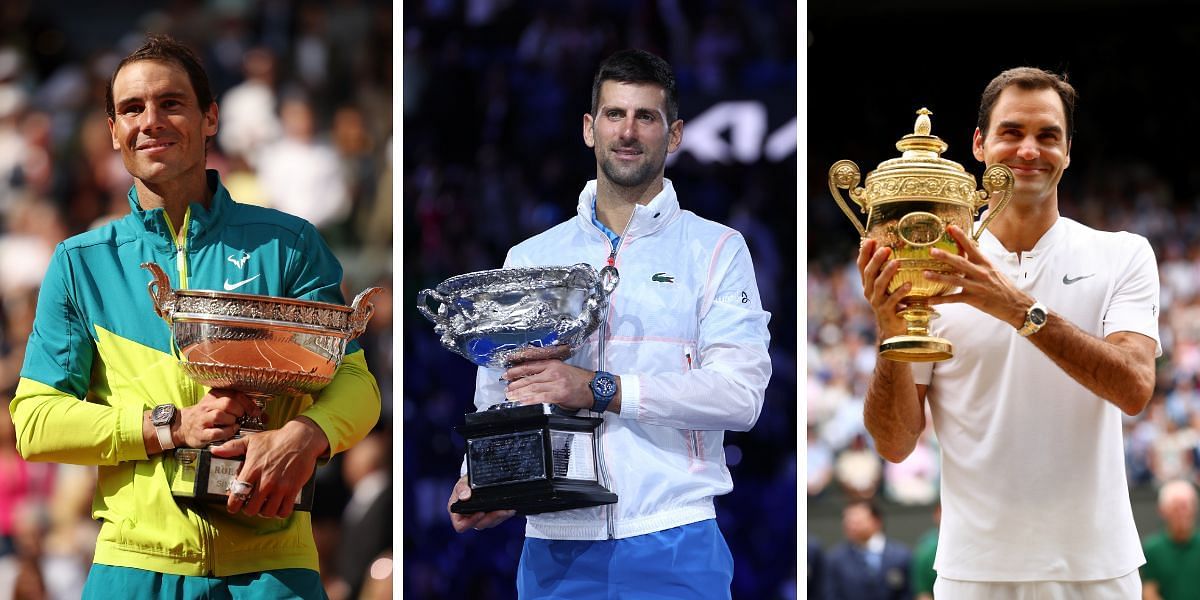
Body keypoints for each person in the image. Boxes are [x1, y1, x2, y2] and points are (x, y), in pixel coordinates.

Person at [9, 34, 380, 599]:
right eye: (132, 109)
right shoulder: (81, 261)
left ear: (210, 118)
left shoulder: (288, 244)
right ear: (113, 132)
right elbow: (35, 421)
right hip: (135, 566)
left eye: (171, 103)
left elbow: (356, 381)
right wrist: (169, 426)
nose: (151, 120)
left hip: (274, 564)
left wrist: (305, 437)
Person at [445, 48, 771, 598]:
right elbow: (498, 393)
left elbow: (741, 397)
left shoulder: (716, 249)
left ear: (674, 135)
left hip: (674, 535)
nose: (628, 131)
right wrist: (484, 473)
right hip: (554, 545)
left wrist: (600, 389)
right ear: (588, 129)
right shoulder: (530, 256)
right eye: (615, 115)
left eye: (646, 117)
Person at [858, 66, 1159, 598]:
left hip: (1097, 568)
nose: (1028, 151)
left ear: (1068, 150)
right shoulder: (927, 267)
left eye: (1048, 136)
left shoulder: (1123, 254)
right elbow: (896, 442)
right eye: (1011, 132)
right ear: (979, 143)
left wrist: (1019, 309)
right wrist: (890, 332)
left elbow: (1134, 388)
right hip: (973, 572)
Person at [821, 500, 912, 600]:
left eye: (857, 521)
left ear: (877, 522)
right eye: (848, 522)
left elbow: (908, 593)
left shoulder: (901, 556)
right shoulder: (835, 559)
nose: (851, 526)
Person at [1141, 480, 1200, 599]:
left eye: (1186, 507)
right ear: (1163, 511)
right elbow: (1149, 591)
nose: (1183, 514)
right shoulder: (1152, 549)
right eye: (1176, 509)